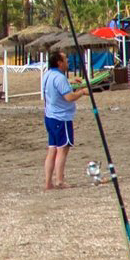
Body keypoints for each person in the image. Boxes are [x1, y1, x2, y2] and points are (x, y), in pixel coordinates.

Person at [41, 50, 82, 190]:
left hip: (50, 116)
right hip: (61, 118)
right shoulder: (59, 78)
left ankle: (48, 183)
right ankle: (59, 180)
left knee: (52, 149)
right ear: (59, 62)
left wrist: (70, 82)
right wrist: (81, 92)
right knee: (62, 150)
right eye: (65, 60)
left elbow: (57, 88)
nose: (67, 62)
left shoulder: (47, 75)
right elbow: (68, 97)